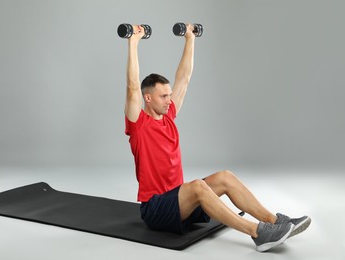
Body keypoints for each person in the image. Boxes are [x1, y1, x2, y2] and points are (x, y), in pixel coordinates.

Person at [123, 24, 310, 252]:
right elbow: (132, 87)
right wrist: (133, 42)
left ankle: (275, 221)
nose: (169, 100)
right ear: (148, 98)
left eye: (169, 95)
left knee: (225, 177)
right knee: (198, 187)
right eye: (163, 96)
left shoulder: (169, 116)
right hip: (156, 209)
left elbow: (184, 77)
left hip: (180, 203)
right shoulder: (138, 124)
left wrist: (190, 38)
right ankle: (257, 232)